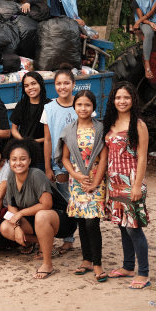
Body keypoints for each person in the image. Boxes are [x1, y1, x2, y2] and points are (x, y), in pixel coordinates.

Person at [0, 139, 77, 279]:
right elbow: (11, 207)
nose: (18, 163)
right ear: (9, 161)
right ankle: (42, 241)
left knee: (41, 215)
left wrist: (21, 213)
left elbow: (46, 204)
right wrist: (16, 228)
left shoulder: (36, 174)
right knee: (5, 227)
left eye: (23, 159)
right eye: (14, 159)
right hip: (36, 220)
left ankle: (47, 264)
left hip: (61, 219)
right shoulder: (10, 176)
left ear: (29, 160)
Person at [55, 90, 109, 282]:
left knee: (92, 223)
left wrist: (94, 183)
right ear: (74, 106)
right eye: (79, 104)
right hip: (77, 181)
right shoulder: (70, 129)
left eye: (87, 105)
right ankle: (86, 260)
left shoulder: (100, 129)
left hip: (96, 180)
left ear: (93, 107)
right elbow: (65, 158)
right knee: (81, 222)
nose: (83, 108)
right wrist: (76, 175)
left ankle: (97, 264)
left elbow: (103, 158)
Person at [103, 82, 151, 289]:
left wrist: (137, 186)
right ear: (113, 100)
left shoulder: (138, 125)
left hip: (131, 182)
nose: (122, 101)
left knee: (134, 229)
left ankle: (144, 273)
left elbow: (142, 158)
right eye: (118, 98)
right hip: (114, 182)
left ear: (133, 100)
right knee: (122, 226)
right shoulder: (111, 122)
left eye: (126, 98)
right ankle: (128, 266)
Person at [40, 63, 77, 257]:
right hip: (59, 164)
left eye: (66, 83)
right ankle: (69, 239)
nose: (62, 87)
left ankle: (79, 237)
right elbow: (47, 139)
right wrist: (48, 167)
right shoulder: (49, 108)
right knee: (65, 200)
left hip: (80, 164)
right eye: (58, 84)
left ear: (73, 84)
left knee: (79, 199)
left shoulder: (81, 104)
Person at [10, 72, 50, 171]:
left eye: (33, 83)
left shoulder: (49, 106)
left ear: (40, 84)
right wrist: (22, 140)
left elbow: (52, 135)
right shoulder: (22, 104)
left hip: (42, 155)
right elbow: (14, 129)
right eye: (26, 86)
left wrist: (34, 142)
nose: (30, 88)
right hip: (23, 154)